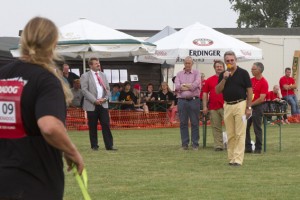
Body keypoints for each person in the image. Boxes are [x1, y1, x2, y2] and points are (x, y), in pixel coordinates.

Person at [0, 17, 84, 200]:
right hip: (35, 182)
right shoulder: (45, 80)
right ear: (53, 44)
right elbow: (49, 125)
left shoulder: (3, 75)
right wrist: (71, 151)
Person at [216, 50, 253, 166]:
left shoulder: (243, 73)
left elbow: (249, 91)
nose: (230, 62)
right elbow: (217, 90)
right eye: (227, 61)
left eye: (232, 60)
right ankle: (231, 158)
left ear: (236, 60)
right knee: (230, 134)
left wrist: (249, 108)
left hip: (240, 104)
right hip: (227, 105)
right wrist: (224, 79)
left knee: (240, 133)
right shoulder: (223, 74)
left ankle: (238, 159)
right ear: (225, 62)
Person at [80, 57, 116, 151]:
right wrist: (94, 100)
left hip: (103, 104)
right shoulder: (85, 76)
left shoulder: (103, 75)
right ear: (90, 65)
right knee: (92, 126)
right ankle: (94, 146)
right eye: (96, 63)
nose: (98, 64)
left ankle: (109, 146)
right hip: (92, 104)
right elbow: (84, 90)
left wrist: (105, 98)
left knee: (106, 124)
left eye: (98, 63)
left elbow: (107, 89)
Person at [175, 56, 201, 150]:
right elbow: (177, 87)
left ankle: (195, 144)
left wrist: (184, 86)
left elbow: (195, 85)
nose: (187, 65)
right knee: (183, 123)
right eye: (186, 63)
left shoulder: (197, 73)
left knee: (195, 122)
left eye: (189, 63)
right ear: (184, 64)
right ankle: (184, 144)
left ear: (192, 64)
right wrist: (188, 86)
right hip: (182, 101)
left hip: (194, 100)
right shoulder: (179, 74)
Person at [245, 62, 269, 154]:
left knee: (257, 128)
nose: (251, 70)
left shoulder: (264, 82)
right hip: (249, 106)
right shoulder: (251, 80)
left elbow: (261, 98)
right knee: (245, 127)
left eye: (253, 69)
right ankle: (248, 147)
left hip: (258, 107)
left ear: (259, 70)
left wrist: (250, 104)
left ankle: (258, 148)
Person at [202, 61, 225, 151]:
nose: (219, 68)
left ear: (223, 67)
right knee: (216, 127)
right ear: (214, 68)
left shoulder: (228, 78)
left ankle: (232, 144)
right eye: (217, 66)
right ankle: (218, 145)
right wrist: (204, 106)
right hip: (213, 107)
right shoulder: (209, 80)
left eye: (220, 66)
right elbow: (205, 93)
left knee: (230, 126)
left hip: (226, 106)